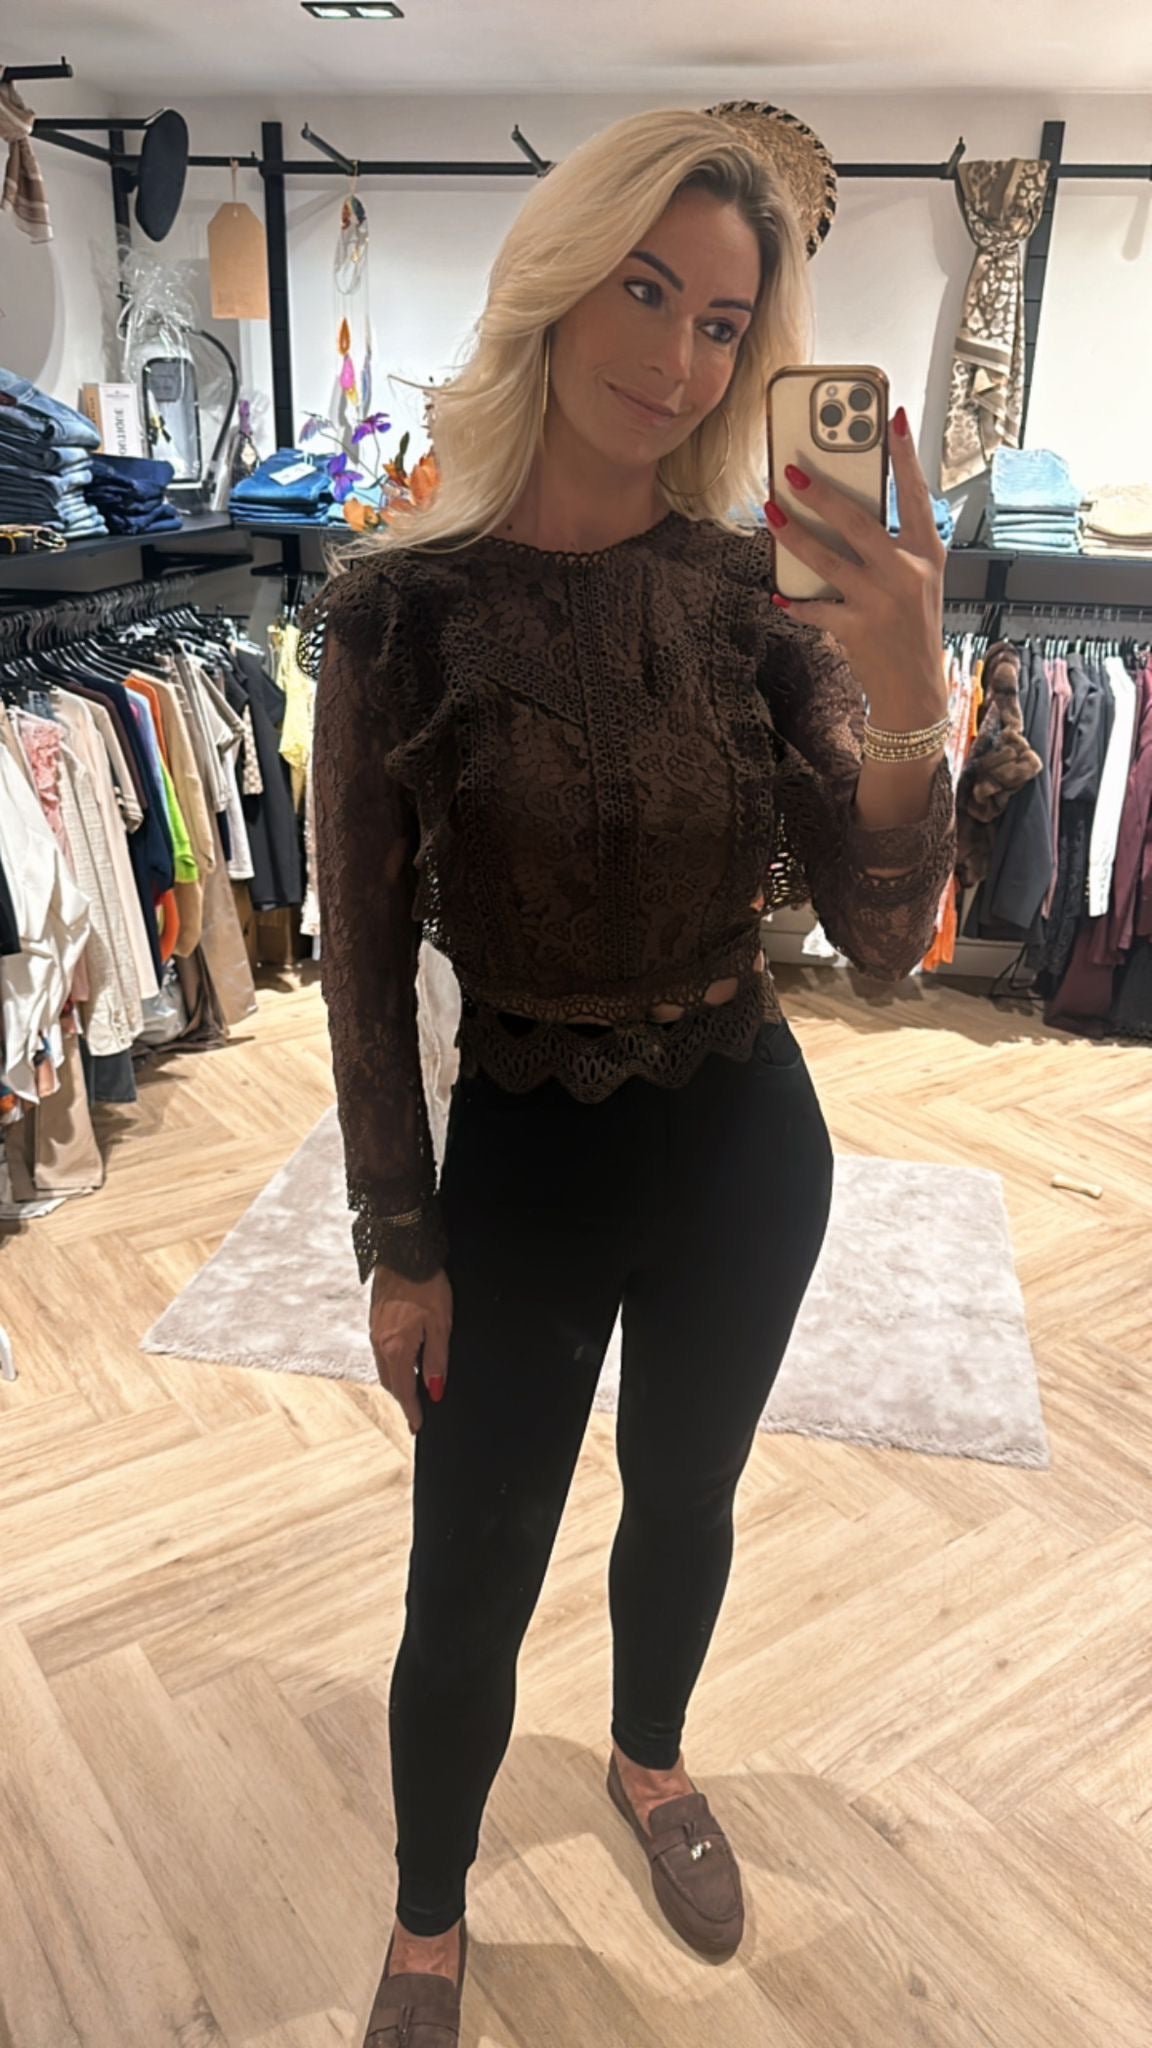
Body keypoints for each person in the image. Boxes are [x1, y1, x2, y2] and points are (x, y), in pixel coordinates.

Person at [302, 106, 957, 2047]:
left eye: (724, 324)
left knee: (686, 1496)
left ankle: (650, 1756)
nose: (677, 357)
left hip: (744, 1145)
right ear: (563, 276)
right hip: (521, 1154)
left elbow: (881, 933)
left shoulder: (757, 595)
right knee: (470, 1567)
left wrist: (909, 694)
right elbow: (361, 971)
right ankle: (430, 1911)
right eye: (647, 290)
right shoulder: (393, 610)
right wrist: (396, 1238)